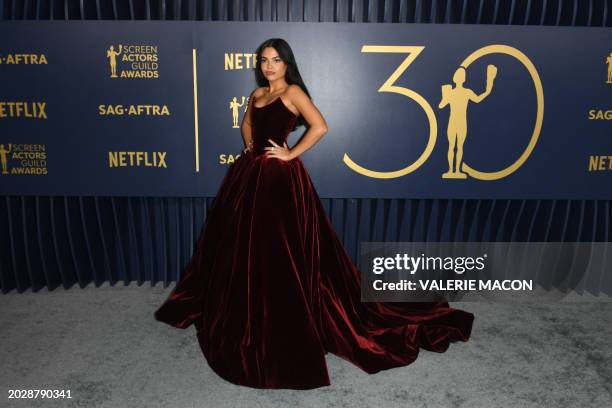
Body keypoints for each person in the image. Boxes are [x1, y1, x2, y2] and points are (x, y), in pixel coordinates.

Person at [154, 38, 475, 390]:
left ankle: (286, 313)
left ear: (287, 63)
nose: (269, 66)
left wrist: (290, 155)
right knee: (243, 244)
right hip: (249, 175)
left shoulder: (293, 92)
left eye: (275, 60)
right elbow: (247, 125)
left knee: (282, 247)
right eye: (264, 60)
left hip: (279, 179)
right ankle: (250, 306)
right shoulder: (257, 95)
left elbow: (320, 126)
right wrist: (250, 145)